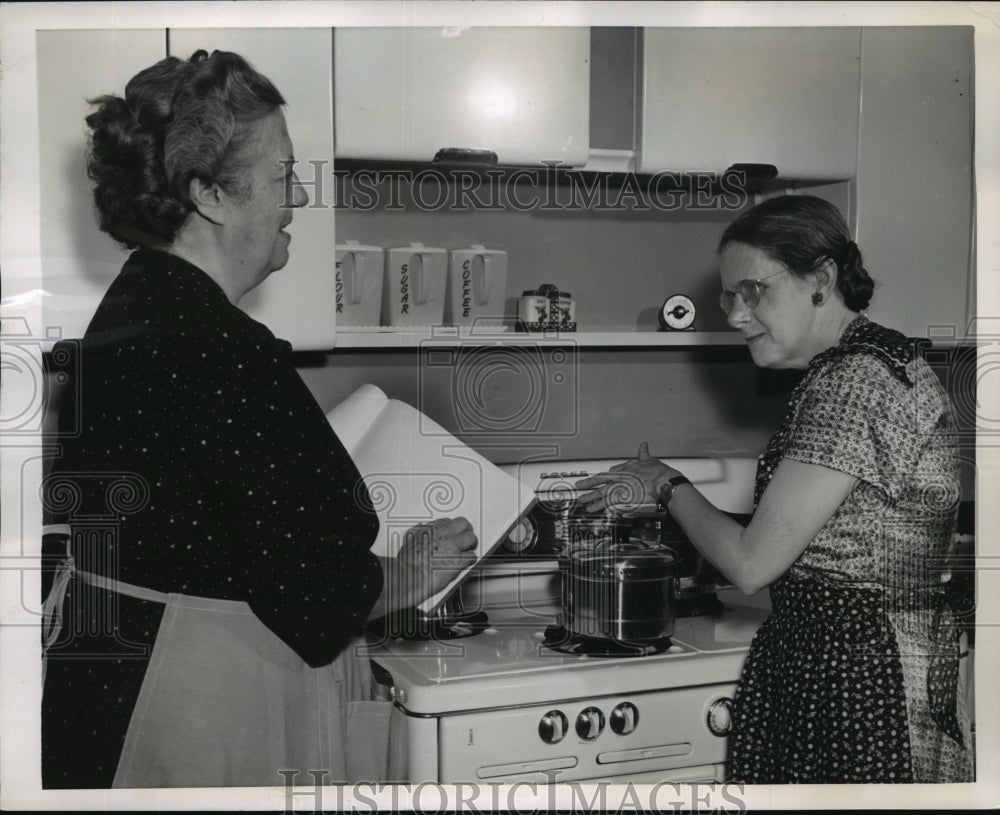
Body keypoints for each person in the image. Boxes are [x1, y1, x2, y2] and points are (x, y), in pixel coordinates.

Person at [41, 49, 477, 789]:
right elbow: (314, 591)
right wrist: (409, 574)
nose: (298, 197)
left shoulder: (124, 316)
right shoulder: (223, 349)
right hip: (202, 713)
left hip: (109, 700)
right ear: (210, 193)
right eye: (282, 174)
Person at [577, 195, 973, 783]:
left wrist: (665, 484)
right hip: (865, 664)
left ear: (821, 278)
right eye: (728, 296)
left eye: (753, 291)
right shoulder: (870, 363)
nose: (735, 315)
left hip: (855, 680)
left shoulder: (852, 385)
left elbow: (752, 562)